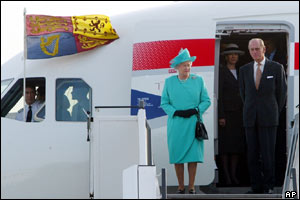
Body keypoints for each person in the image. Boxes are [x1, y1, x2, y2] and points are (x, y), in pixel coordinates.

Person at [239, 38, 287, 194]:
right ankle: (255, 187)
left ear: (264, 49)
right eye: (251, 49)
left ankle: (268, 186)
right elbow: (243, 95)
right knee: (252, 154)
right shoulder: (244, 70)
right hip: (250, 118)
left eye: (257, 49)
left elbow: (281, 95)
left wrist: (272, 111)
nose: (254, 52)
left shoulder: (276, 68)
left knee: (268, 154)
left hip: (269, 118)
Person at [160, 48, 211, 194]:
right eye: (184, 65)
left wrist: (196, 110)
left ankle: (192, 186)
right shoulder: (169, 82)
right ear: (177, 67)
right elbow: (164, 103)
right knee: (178, 156)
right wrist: (175, 112)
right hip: (176, 123)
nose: (187, 68)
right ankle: (181, 186)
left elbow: (206, 100)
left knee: (193, 157)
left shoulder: (198, 80)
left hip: (193, 123)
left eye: (189, 65)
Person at [218, 44, 245, 186]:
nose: (234, 56)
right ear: (226, 56)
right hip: (226, 115)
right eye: (231, 54)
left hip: (239, 115)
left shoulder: (242, 71)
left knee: (236, 148)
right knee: (225, 147)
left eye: (236, 54)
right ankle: (226, 177)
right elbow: (219, 95)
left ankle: (234, 176)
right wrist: (221, 115)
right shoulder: (221, 72)